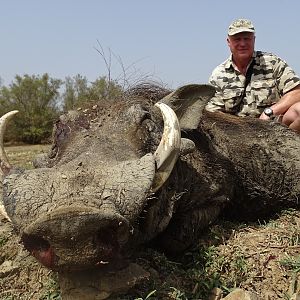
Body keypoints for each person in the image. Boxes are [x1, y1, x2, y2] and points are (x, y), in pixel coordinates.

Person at [206, 18, 300, 133]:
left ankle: (291, 147)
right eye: (237, 39)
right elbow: (213, 115)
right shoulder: (218, 75)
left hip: (275, 127)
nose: (242, 44)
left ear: (254, 40)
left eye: (247, 38)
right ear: (228, 42)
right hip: (238, 136)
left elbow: (297, 92)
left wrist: (269, 112)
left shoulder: (272, 62)